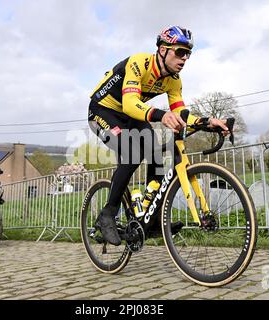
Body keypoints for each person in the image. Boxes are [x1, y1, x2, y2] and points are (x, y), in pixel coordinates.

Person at [88, 26, 230, 245]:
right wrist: (161, 115)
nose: (185, 59)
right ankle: (107, 214)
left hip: (131, 114)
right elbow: (129, 103)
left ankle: (151, 219)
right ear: (163, 50)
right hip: (102, 111)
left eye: (188, 54)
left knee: (155, 152)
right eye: (180, 52)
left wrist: (207, 122)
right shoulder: (139, 63)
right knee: (133, 152)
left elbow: (182, 113)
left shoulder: (173, 80)